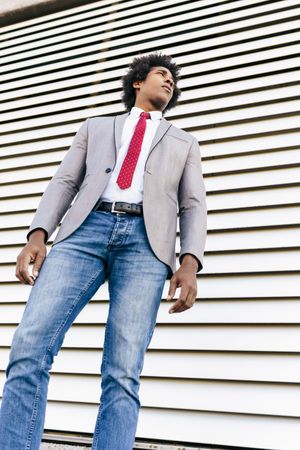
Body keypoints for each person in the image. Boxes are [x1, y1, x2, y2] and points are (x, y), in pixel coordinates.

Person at [0, 52, 207, 450]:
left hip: (147, 245)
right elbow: (64, 181)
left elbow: (193, 203)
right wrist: (38, 234)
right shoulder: (96, 127)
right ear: (136, 82)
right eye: (161, 75)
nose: (169, 82)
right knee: (29, 347)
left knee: (124, 370)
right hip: (83, 232)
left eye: (173, 81)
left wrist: (190, 261)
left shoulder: (185, 142)